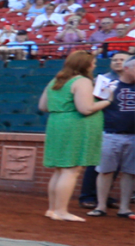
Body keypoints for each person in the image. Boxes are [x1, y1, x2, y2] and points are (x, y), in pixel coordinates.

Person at [40, 49, 104, 221]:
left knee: (60, 170)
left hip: (56, 124)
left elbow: (43, 106)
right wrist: (106, 102)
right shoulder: (82, 81)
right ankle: (61, 211)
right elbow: (86, 108)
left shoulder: (56, 80)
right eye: (93, 63)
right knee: (71, 170)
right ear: (86, 65)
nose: (95, 65)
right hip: (73, 127)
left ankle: (53, 209)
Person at [95, 52, 135, 217]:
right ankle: (101, 206)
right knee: (105, 171)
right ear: (127, 69)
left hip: (133, 135)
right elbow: (95, 106)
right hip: (110, 133)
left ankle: (124, 208)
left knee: (131, 173)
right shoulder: (108, 84)